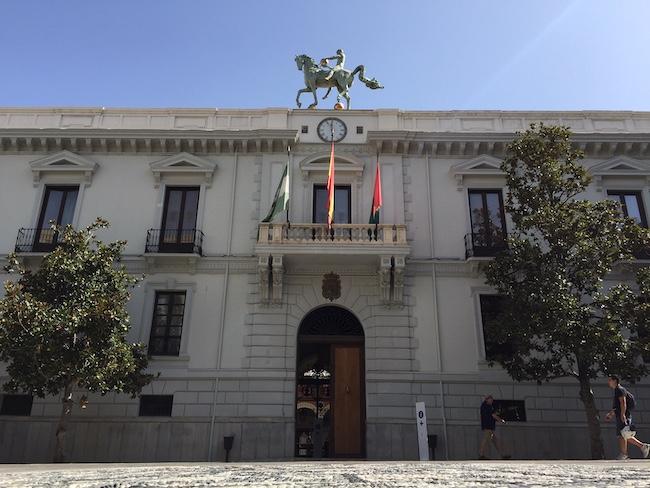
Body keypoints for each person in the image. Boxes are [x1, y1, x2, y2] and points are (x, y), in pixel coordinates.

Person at [605, 375, 650, 460]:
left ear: (615, 380)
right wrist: (611, 414)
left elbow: (623, 403)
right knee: (623, 434)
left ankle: (624, 454)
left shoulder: (619, 390)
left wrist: (622, 415)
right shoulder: (617, 390)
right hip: (622, 414)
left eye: (610, 380)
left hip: (624, 415)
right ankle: (643, 446)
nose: (608, 382)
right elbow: (617, 407)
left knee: (623, 434)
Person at [479, 395, 510, 459]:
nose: (492, 401)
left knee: (494, 440)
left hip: (489, 426)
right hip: (488, 426)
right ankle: (481, 454)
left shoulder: (484, 406)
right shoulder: (487, 406)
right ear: (487, 399)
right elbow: (493, 415)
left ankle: (502, 455)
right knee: (486, 440)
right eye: (491, 400)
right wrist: (501, 420)